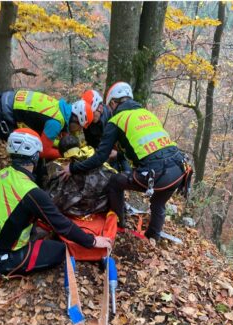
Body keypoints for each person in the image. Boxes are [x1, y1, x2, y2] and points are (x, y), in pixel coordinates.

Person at [0, 129, 111, 304]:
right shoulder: (31, 192)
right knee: (58, 250)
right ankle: (1, 265)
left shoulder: (2, 173)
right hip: (0, 259)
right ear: (34, 157)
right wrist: (92, 241)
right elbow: (61, 224)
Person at [59, 81, 192, 239]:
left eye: (110, 106)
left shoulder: (116, 121)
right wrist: (119, 155)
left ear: (114, 102)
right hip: (179, 168)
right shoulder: (147, 114)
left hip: (157, 173)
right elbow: (145, 147)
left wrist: (73, 168)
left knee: (115, 182)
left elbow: (100, 158)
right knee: (159, 203)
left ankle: (119, 223)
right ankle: (153, 236)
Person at [0, 89, 85, 160]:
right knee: (24, 153)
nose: (79, 130)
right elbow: (43, 152)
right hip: (2, 115)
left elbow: (50, 138)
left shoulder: (60, 108)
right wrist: (65, 155)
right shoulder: (55, 122)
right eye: (80, 127)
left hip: (5, 100)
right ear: (75, 119)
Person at [44, 135, 116, 217]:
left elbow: (54, 195)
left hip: (78, 208)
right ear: (79, 146)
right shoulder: (93, 156)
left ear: (60, 152)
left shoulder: (58, 166)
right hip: (102, 203)